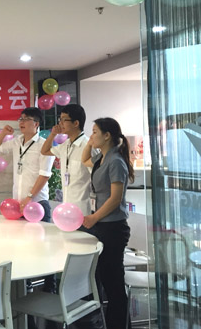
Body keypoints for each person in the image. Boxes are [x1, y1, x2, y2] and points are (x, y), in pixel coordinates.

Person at [82, 117, 134, 329]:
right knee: (104, 277)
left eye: (95, 132)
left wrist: (94, 217)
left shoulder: (116, 161)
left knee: (113, 283)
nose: (91, 135)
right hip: (102, 226)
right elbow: (84, 159)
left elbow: (115, 198)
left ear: (107, 136)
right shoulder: (101, 159)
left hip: (113, 227)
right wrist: (90, 142)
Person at [0, 107, 54, 218]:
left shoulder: (44, 145)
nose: (21, 122)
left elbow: (45, 175)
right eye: (21, 119)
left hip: (37, 203)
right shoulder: (17, 141)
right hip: (18, 203)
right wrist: (4, 133)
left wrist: (29, 197)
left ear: (36, 124)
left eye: (26, 119)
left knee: (40, 230)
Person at [40, 104, 91, 216]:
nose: (60, 123)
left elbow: (97, 179)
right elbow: (44, 151)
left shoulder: (87, 146)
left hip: (82, 210)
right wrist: (53, 134)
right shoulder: (66, 145)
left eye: (64, 120)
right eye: (60, 119)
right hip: (66, 208)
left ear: (76, 123)